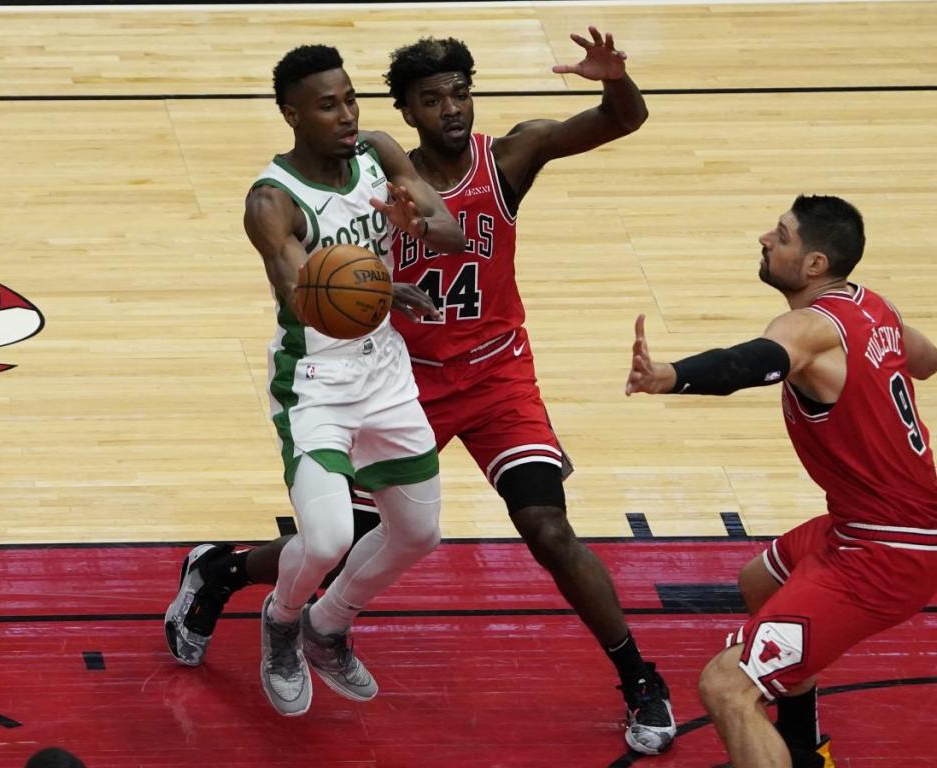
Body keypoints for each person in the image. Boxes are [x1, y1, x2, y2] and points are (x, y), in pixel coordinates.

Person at [166, 29, 675, 755]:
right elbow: (300, 264)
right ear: (405, 111)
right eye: (432, 100)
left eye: (461, 94)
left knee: (548, 528)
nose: (452, 111)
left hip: (497, 374)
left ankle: (639, 678)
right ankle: (224, 571)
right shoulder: (358, 162)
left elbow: (618, 122)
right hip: (400, 375)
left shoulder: (510, 156)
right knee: (341, 542)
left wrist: (616, 80)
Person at [165, 44, 465, 718]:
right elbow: (303, 293)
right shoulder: (272, 201)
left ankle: (327, 626)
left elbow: (450, 233)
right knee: (328, 537)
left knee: (419, 535)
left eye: (352, 98)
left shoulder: (380, 152)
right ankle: (280, 620)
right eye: (328, 105)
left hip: (384, 372)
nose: (348, 114)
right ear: (291, 113)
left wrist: (415, 219)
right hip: (315, 381)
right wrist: (386, 286)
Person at [625, 195, 937, 767]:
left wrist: (669, 376)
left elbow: (751, 362)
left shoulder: (807, 328)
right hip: (868, 523)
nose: (765, 239)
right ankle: (803, 748)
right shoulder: (873, 307)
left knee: (726, 687)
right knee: (759, 584)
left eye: (783, 235)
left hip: (885, 551)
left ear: (815, 264)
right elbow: (924, 359)